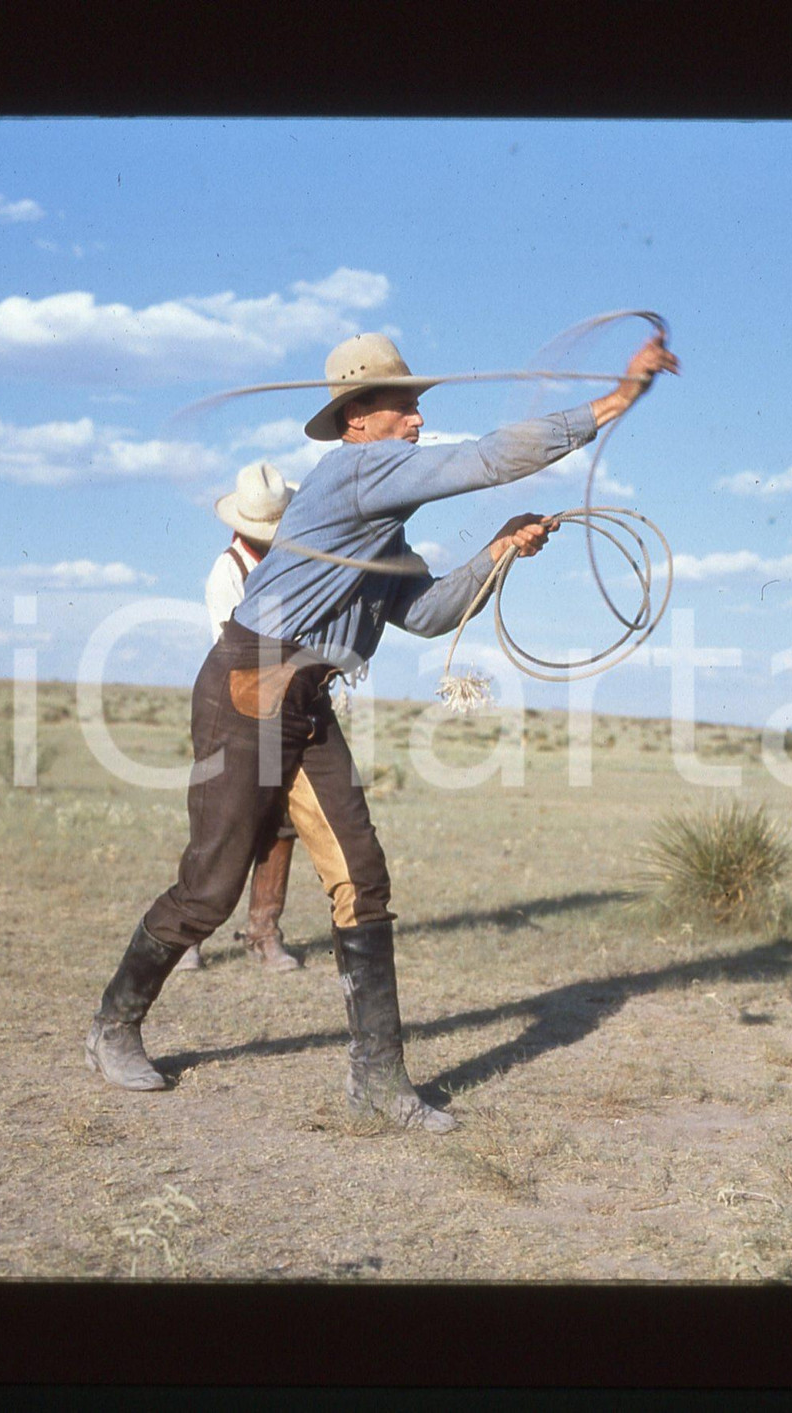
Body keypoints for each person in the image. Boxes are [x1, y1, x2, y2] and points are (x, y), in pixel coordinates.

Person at [86, 328, 679, 1133]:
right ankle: (114, 1025)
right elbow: (489, 458)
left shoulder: (380, 523)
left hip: (303, 698)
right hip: (250, 685)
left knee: (360, 878)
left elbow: (427, 614)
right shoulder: (357, 472)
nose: (417, 419)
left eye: (416, 406)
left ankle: (378, 1081)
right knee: (212, 887)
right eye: (404, 406)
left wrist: (499, 550)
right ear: (357, 419)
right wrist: (615, 400)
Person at [174, 460, 302, 973]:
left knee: (281, 821)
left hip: (286, 705)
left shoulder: (295, 564)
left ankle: (263, 930)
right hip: (235, 706)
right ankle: (185, 934)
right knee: (221, 822)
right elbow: (238, 652)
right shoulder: (227, 572)